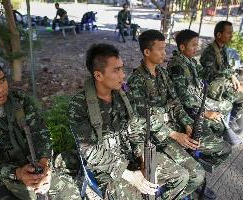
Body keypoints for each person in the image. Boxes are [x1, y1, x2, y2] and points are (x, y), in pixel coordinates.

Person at [69, 43, 190, 199]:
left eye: (122, 68)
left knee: (181, 176)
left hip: (132, 155)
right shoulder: (79, 105)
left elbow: (135, 128)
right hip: (108, 169)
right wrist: (131, 176)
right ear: (98, 75)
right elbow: (90, 151)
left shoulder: (123, 95)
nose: (123, 75)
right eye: (116, 70)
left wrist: (142, 155)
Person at [0, 59, 81, 200]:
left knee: (70, 194)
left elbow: (40, 133)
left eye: (2, 81)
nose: (0, 88)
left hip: (36, 164)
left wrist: (44, 164)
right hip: (3, 177)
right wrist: (18, 173)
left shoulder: (20, 101)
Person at [127, 30, 231, 198]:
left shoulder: (163, 74)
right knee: (196, 175)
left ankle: (188, 179)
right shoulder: (136, 81)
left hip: (177, 127)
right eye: (160, 49)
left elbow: (175, 103)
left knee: (223, 148)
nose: (165, 53)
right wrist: (175, 135)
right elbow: (143, 119)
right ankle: (173, 192)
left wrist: (188, 124)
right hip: (158, 137)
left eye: (165, 48)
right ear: (147, 52)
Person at [167, 29, 234, 141]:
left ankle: (213, 138)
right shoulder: (176, 66)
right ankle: (205, 147)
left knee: (227, 105)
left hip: (197, 100)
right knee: (218, 124)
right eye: (193, 45)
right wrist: (205, 112)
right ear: (182, 47)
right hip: (188, 108)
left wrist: (229, 74)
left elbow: (206, 73)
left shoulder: (190, 61)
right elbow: (183, 98)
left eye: (197, 45)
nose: (196, 48)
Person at [200, 21, 243, 132]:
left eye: (232, 32)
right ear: (219, 35)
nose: (231, 35)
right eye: (228, 33)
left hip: (222, 84)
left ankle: (232, 120)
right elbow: (211, 75)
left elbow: (226, 67)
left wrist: (233, 78)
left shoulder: (222, 48)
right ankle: (229, 124)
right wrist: (232, 81)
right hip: (214, 88)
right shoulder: (209, 52)